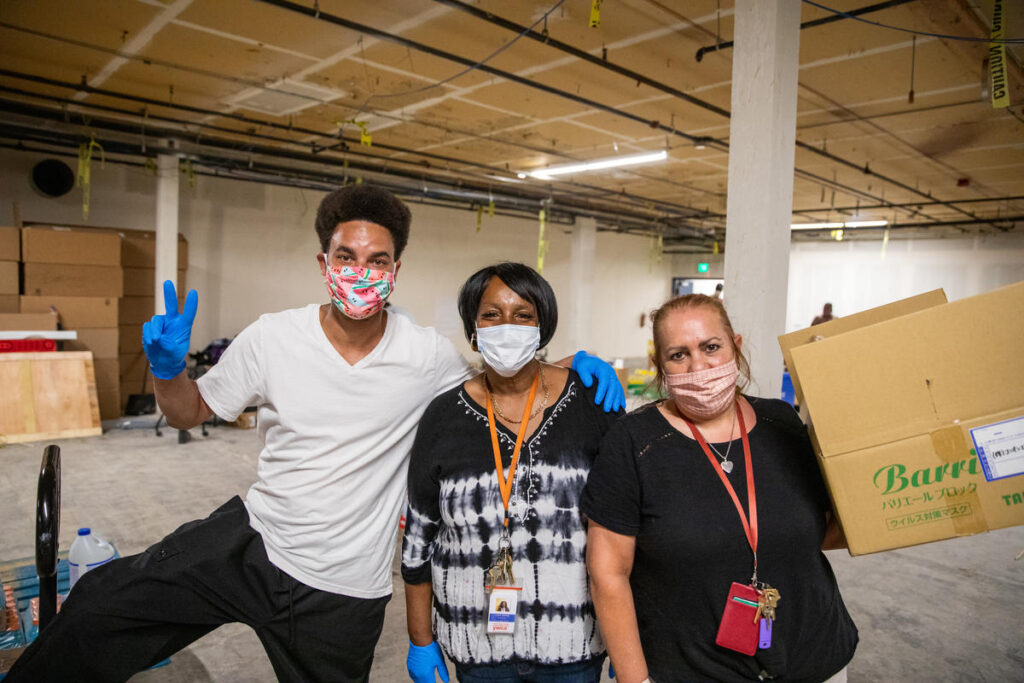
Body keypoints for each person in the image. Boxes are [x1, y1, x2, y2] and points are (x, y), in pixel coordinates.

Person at [6, 186, 624, 683]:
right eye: (346, 257)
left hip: (344, 587)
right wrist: (168, 371)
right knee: (99, 608)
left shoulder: (426, 354)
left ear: (395, 270)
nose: (361, 271)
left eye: (377, 260)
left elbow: (502, 370)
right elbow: (191, 412)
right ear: (323, 263)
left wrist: (574, 363)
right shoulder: (273, 336)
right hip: (249, 541)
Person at [581, 294, 857, 683]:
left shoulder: (781, 422)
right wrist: (635, 679)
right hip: (693, 670)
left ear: (736, 347)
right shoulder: (633, 444)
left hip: (816, 658)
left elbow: (822, 528)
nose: (699, 366)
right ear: (660, 365)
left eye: (711, 347)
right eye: (679, 355)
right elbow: (608, 571)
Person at [402, 263, 620, 683]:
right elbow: (418, 539)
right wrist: (419, 638)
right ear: (473, 327)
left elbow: (624, 527)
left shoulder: (590, 406)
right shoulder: (443, 416)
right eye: (491, 314)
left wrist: (630, 631)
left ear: (543, 328)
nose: (508, 326)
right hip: (476, 644)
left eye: (524, 315)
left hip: (574, 641)